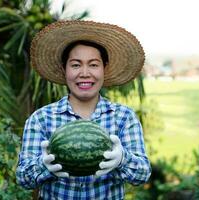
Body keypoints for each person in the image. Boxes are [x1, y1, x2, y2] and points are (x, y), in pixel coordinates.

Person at [16, 20, 151, 199]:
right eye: (76, 65)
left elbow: (142, 174)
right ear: (64, 69)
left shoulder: (124, 117)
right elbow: (23, 178)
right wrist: (43, 165)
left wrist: (122, 159)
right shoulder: (41, 119)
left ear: (105, 68)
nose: (85, 73)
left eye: (94, 64)